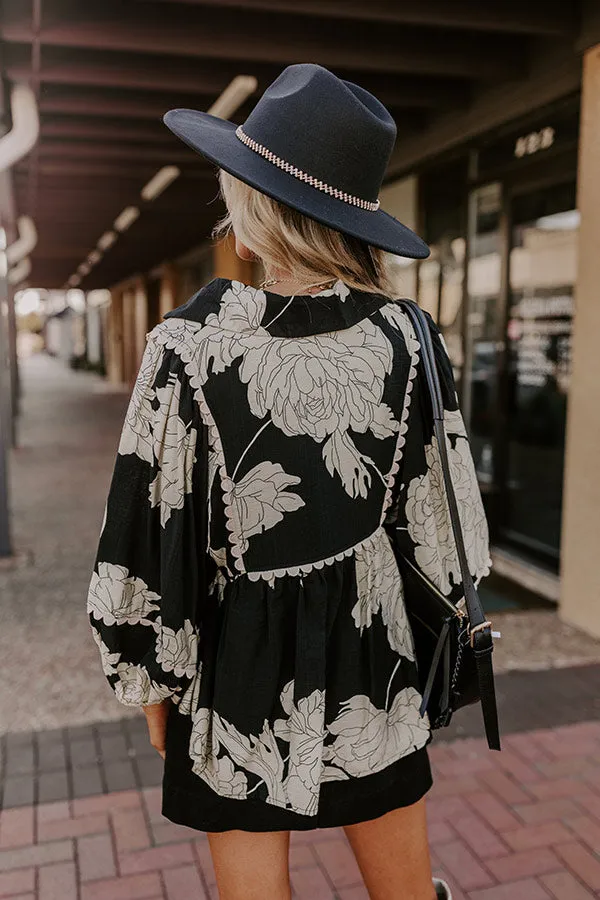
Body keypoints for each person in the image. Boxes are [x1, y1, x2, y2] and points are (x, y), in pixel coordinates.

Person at [87, 63, 490, 900]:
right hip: (373, 646)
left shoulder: (185, 348)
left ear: (255, 205)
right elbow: (440, 515)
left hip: (235, 656)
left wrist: (154, 683)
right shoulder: (410, 337)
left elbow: (150, 529)